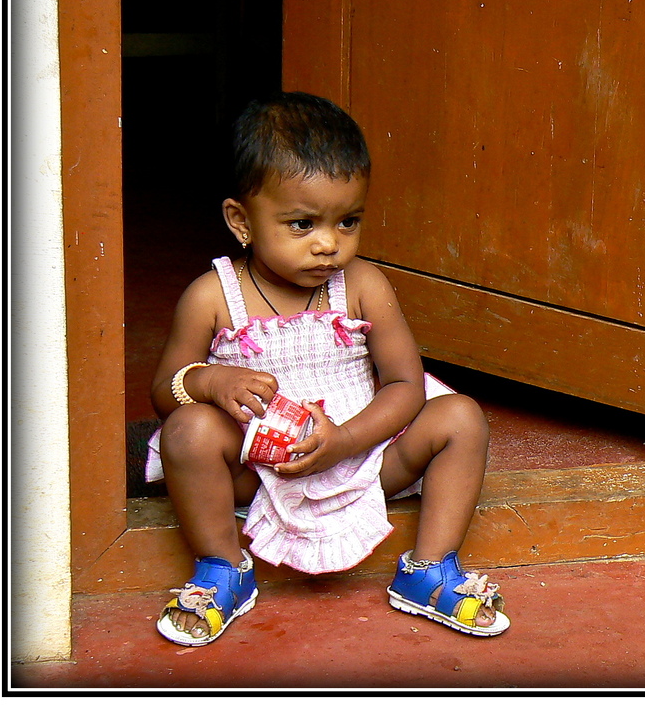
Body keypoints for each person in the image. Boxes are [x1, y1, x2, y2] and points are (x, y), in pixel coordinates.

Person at [145, 91, 509, 645]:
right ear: (240, 220)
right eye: (301, 224)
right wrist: (210, 380)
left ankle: (429, 568)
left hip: (363, 462)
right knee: (187, 431)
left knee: (460, 417)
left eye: (348, 222)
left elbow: (406, 386)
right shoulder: (212, 296)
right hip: (259, 474)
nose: (328, 245)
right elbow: (165, 391)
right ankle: (222, 569)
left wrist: (344, 442)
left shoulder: (362, 285)